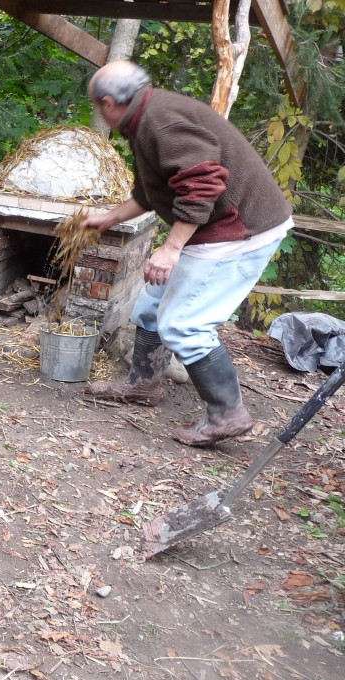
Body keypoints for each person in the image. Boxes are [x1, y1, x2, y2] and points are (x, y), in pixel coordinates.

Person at [83, 61, 293, 447]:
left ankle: (227, 414)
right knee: (151, 305)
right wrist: (110, 218)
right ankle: (144, 384)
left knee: (183, 324)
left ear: (109, 102)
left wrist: (171, 247)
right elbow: (153, 190)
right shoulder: (145, 118)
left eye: (97, 106)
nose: (99, 112)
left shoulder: (160, 122)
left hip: (240, 228)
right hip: (218, 226)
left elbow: (202, 184)